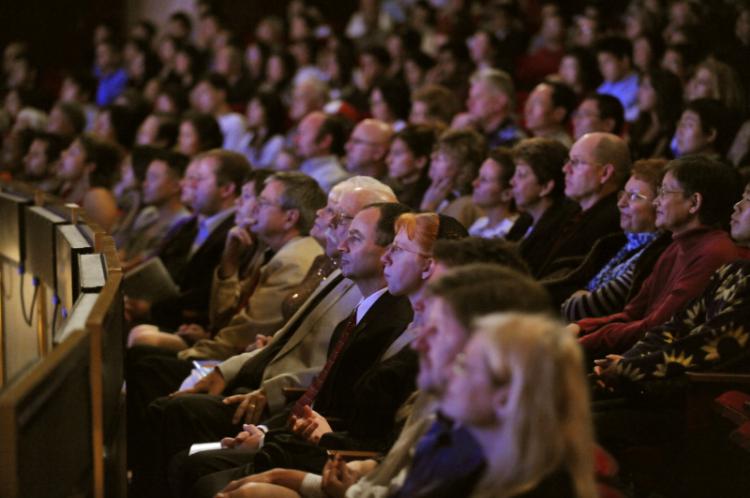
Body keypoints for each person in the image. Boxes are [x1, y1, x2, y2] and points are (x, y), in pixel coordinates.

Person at [211, 264, 553, 498]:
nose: (420, 341)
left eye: (437, 327)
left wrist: (295, 478)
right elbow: (394, 471)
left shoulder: (488, 432)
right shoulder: (452, 405)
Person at [173, 203, 415, 498]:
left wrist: (274, 435)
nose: (340, 245)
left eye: (353, 236)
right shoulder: (359, 305)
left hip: (328, 448)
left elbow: (354, 420)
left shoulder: (393, 322)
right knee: (187, 449)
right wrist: (267, 433)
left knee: (196, 463)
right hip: (302, 430)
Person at [572, 156, 743, 360]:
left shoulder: (713, 253)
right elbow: (632, 313)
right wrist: (580, 327)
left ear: (694, 202)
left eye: (664, 192)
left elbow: (655, 326)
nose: (656, 201)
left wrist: (584, 340)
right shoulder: (675, 247)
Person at [559, 159, 672, 320]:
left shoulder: (655, 254)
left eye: (634, 196)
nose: (620, 203)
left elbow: (582, 310)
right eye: (623, 194)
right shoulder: (618, 243)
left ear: (660, 204)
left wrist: (578, 298)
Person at [537, 132, 627, 279]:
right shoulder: (568, 210)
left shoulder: (612, 223)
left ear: (605, 173)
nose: (565, 169)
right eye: (568, 161)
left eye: (576, 162)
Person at [506, 137, 579, 276]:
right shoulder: (524, 222)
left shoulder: (557, 233)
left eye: (521, 175)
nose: (511, 182)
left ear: (546, 187)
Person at [420, 128, 485, 228]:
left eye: (442, 157)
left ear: (464, 170)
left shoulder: (467, 205)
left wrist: (428, 207)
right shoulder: (437, 194)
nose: (433, 157)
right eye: (435, 152)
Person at [57, 133, 121, 232]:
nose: (63, 153)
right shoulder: (68, 187)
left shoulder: (98, 197)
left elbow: (101, 244)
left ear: (90, 166)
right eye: (67, 150)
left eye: (72, 153)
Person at [463, 68, 526, 148]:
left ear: (500, 101)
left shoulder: (513, 141)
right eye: (470, 98)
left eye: (477, 97)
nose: (469, 103)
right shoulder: (476, 135)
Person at [468, 148, 520, 239]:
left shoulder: (513, 231)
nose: (474, 183)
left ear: (507, 194)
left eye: (484, 180)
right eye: (478, 176)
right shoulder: (478, 226)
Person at [295, 111, 350, 193]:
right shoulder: (305, 166)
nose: (296, 140)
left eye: (303, 133)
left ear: (325, 141)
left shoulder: (333, 180)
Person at [385, 124, 436, 210]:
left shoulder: (427, 196)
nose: (388, 160)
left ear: (420, 161)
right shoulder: (390, 188)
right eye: (390, 152)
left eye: (397, 153)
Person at [192, 73, 247, 152]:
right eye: (198, 94)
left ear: (221, 94)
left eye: (204, 92)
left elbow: (230, 155)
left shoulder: (234, 122)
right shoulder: (207, 123)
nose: (200, 99)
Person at [595, 36, 639, 122]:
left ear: (625, 61)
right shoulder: (604, 87)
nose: (602, 67)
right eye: (600, 63)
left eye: (607, 61)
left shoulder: (638, 86)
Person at [523, 80, 575, 147]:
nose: (528, 109)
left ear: (559, 113)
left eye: (537, 103)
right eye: (529, 101)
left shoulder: (562, 149)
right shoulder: (532, 142)